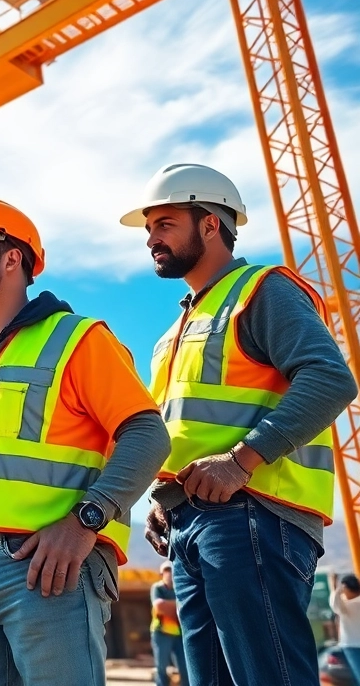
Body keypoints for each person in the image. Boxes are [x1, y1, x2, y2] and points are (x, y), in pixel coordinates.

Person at [0, 197, 169, 685]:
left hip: (48, 571)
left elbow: (147, 434)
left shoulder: (77, 339)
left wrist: (85, 520)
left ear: (13, 258)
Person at [126, 163, 356, 685]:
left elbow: (330, 378)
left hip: (253, 515)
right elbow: (181, 429)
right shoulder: (174, 333)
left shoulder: (261, 291)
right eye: (150, 228)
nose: (152, 239)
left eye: (165, 224)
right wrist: (164, 496)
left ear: (211, 224)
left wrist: (240, 460)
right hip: (191, 521)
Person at [151, 561, 187, 686]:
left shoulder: (179, 588)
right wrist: (178, 605)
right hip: (161, 632)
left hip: (178, 633)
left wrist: (170, 606)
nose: (169, 574)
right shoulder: (158, 588)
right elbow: (159, 606)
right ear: (161, 574)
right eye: (166, 571)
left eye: (171, 571)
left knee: (185, 667)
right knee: (161, 667)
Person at [331, 574, 360, 676]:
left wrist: (338, 589)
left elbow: (334, 605)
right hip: (351, 645)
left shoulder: (344, 606)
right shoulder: (344, 606)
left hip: (350, 645)